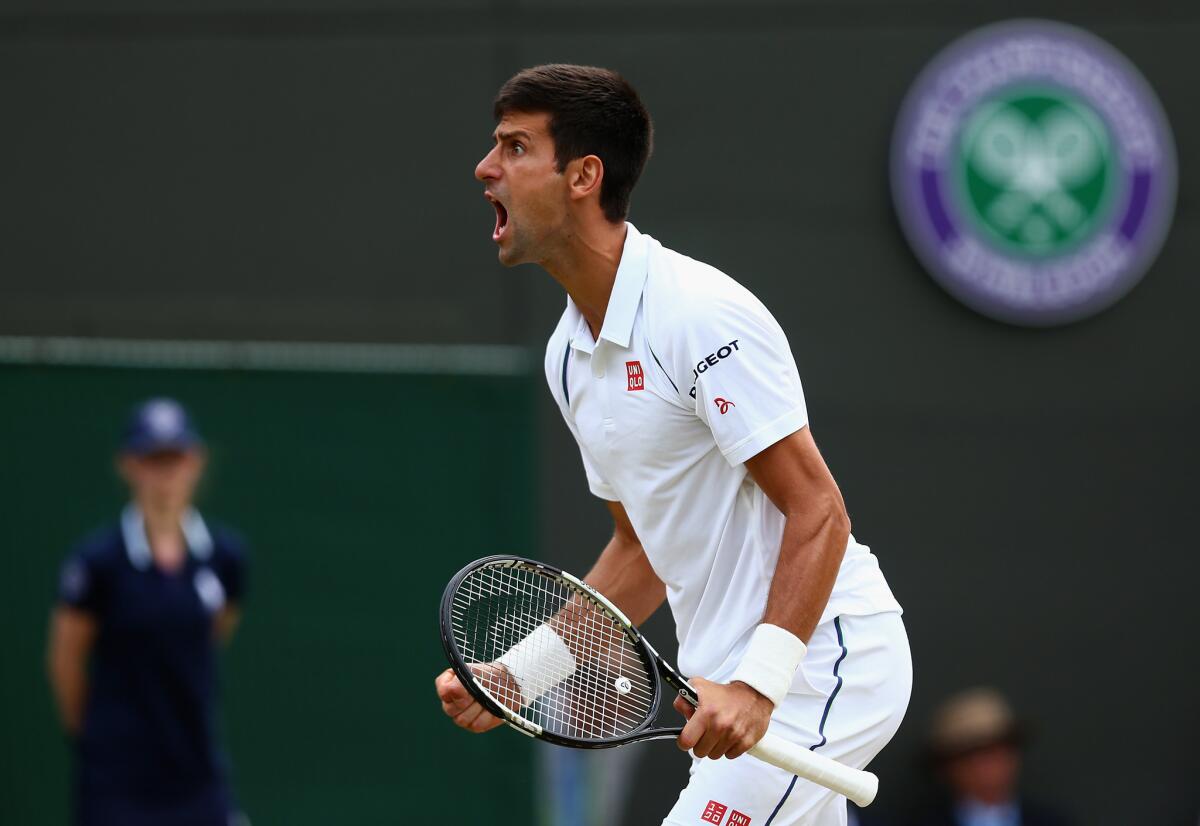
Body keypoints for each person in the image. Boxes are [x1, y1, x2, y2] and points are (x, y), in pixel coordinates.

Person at [435, 64, 911, 825]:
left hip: (824, 668)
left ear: (583, 176)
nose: (486, 167)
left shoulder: (699, 315)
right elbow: (641, 552)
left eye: (515, 147)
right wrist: (523, 675)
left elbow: (818, 509)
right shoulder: (568, 355)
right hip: (728, 692)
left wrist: (758, 687)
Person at [46, 398, 248, 826]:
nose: (166, 473)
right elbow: (65, 662)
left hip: (198, 777)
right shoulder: (97, 563)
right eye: (153, 459)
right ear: (129, 465)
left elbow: (214, 635)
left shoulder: (225, 557)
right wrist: (102, 743)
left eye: (174, 458)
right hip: (116, 785)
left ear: (195, 462)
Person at [912, 688, 1073, 826]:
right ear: (947, 768)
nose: (987, 766)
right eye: (972, 755)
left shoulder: (1051, 821)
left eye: (997, 750)